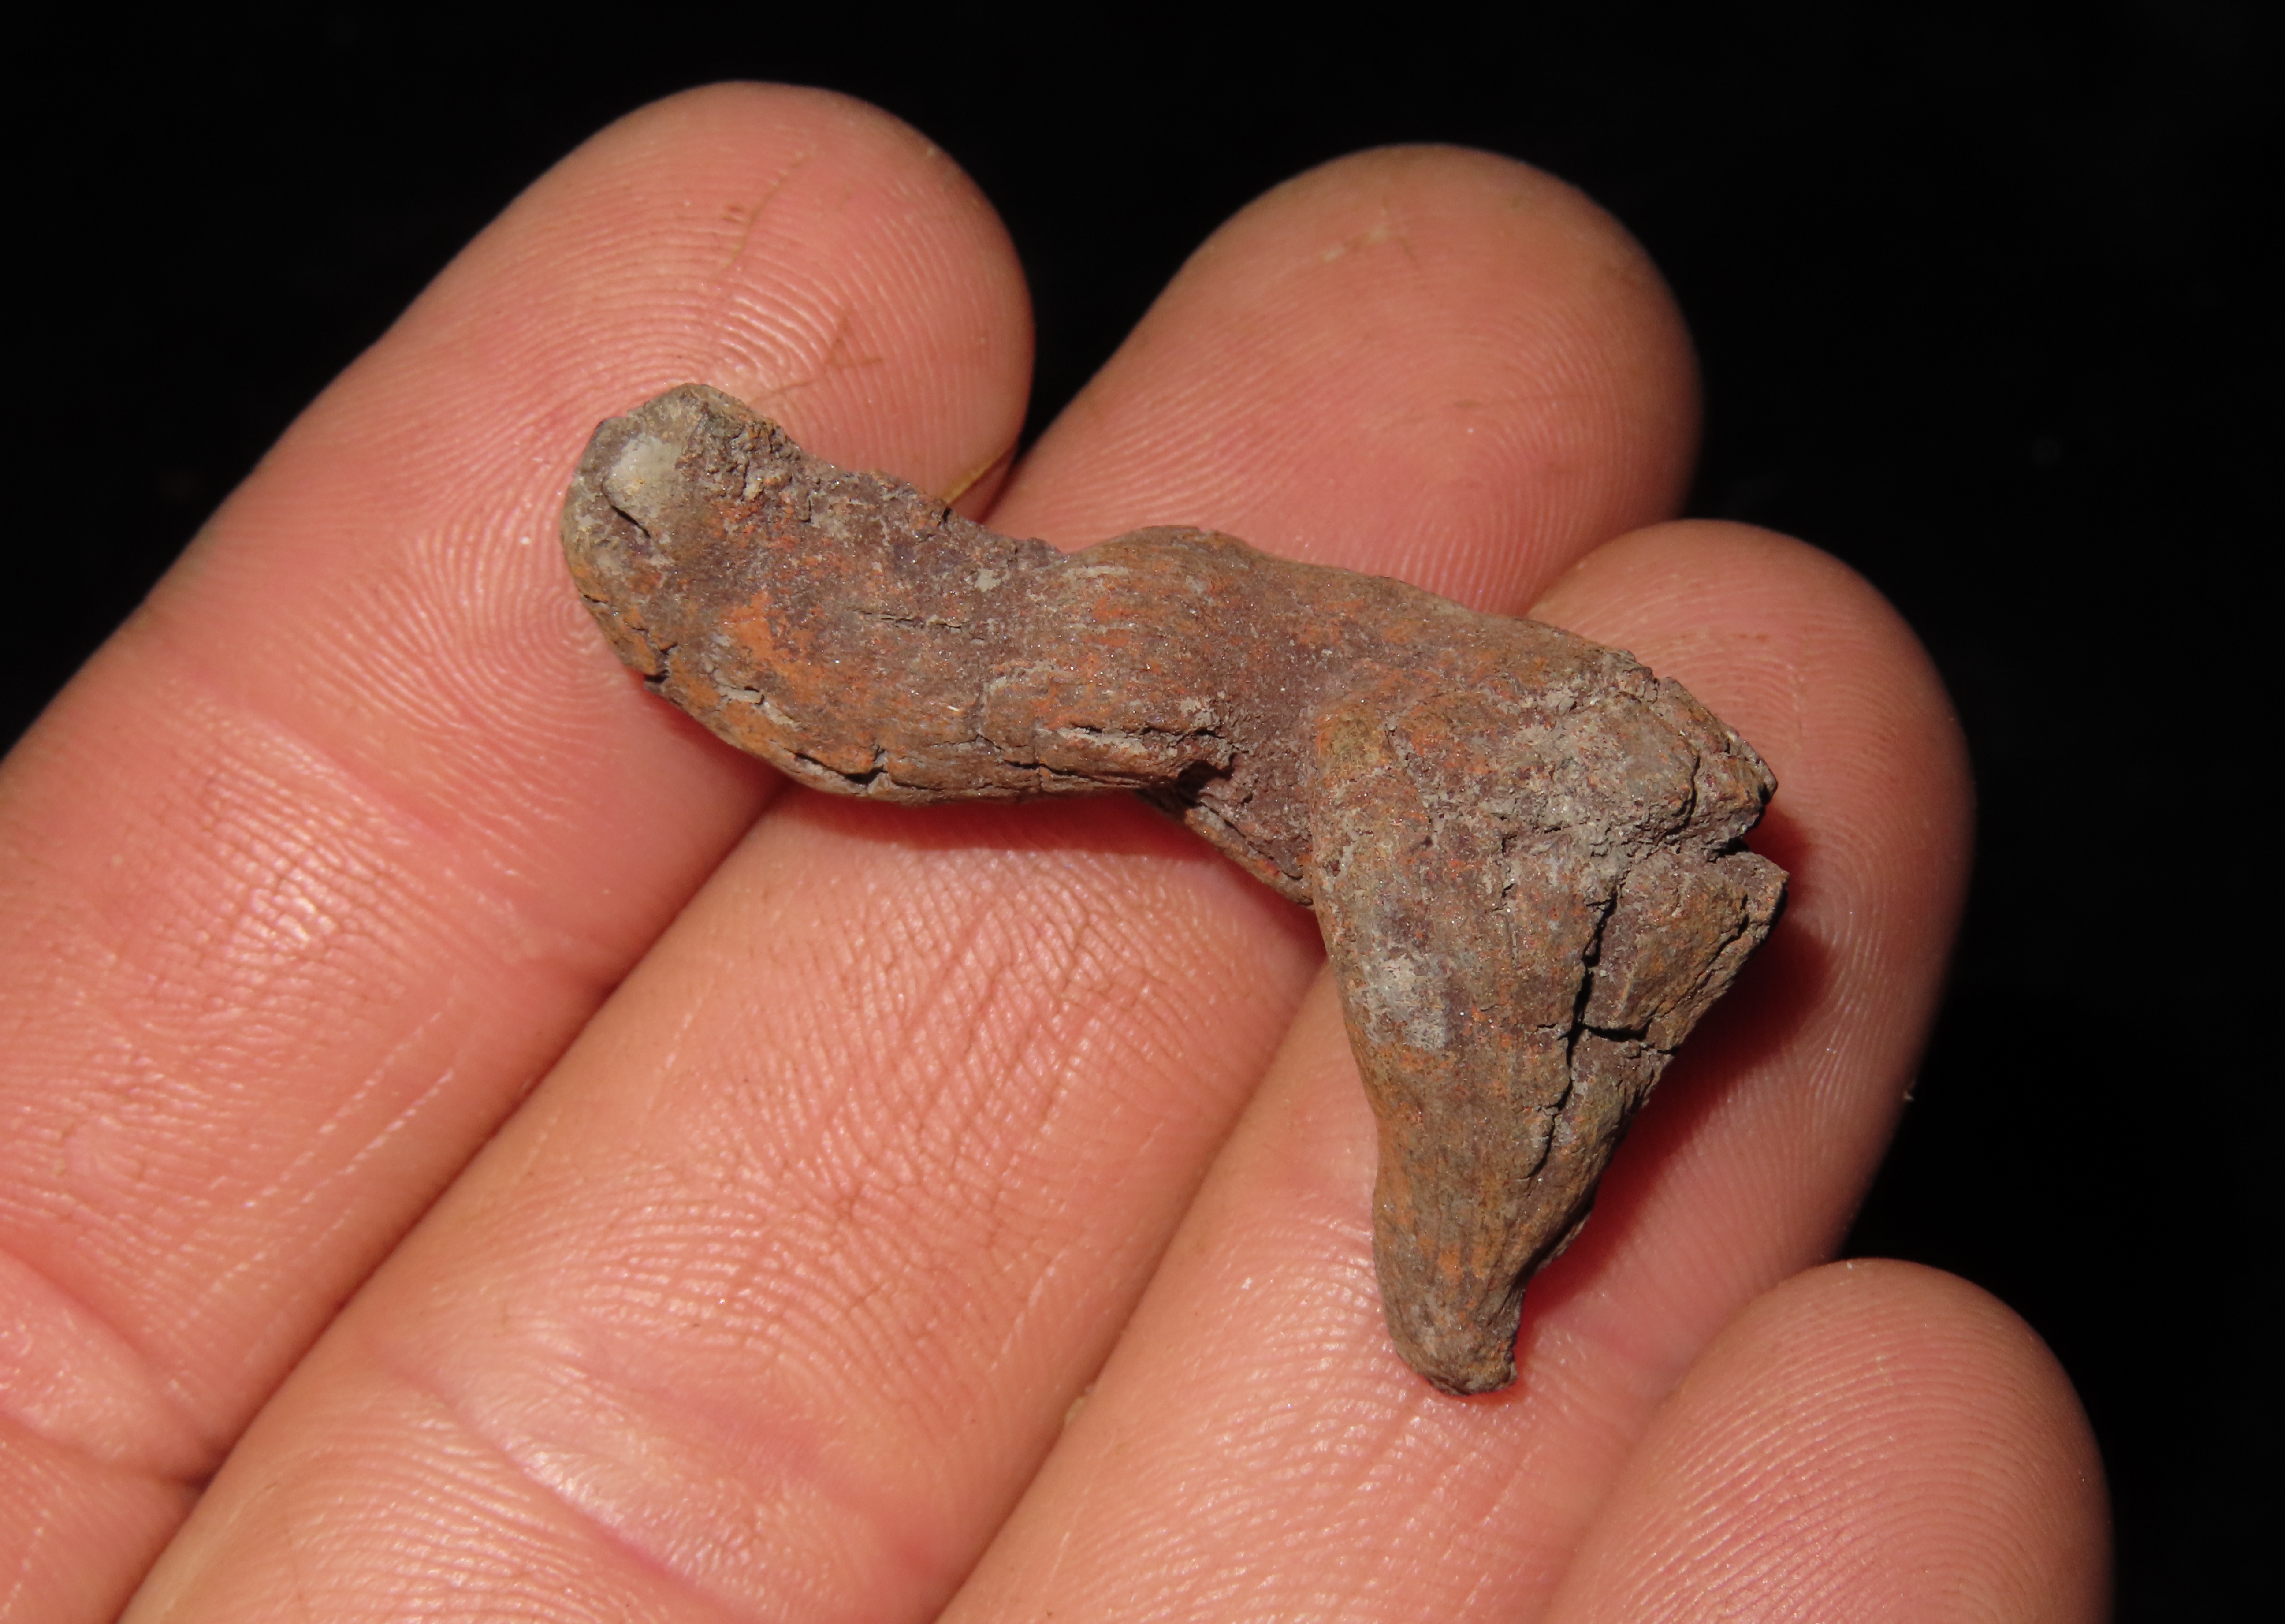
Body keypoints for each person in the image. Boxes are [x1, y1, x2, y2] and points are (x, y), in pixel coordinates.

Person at [0, 85, 2107, 1621]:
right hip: (1462, 787)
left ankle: (1491, 1113)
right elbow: (1078, 678)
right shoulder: (1118, 658)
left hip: (1509, 799)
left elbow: (1140, 681)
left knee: (1270, 710)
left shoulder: (1292, 709)